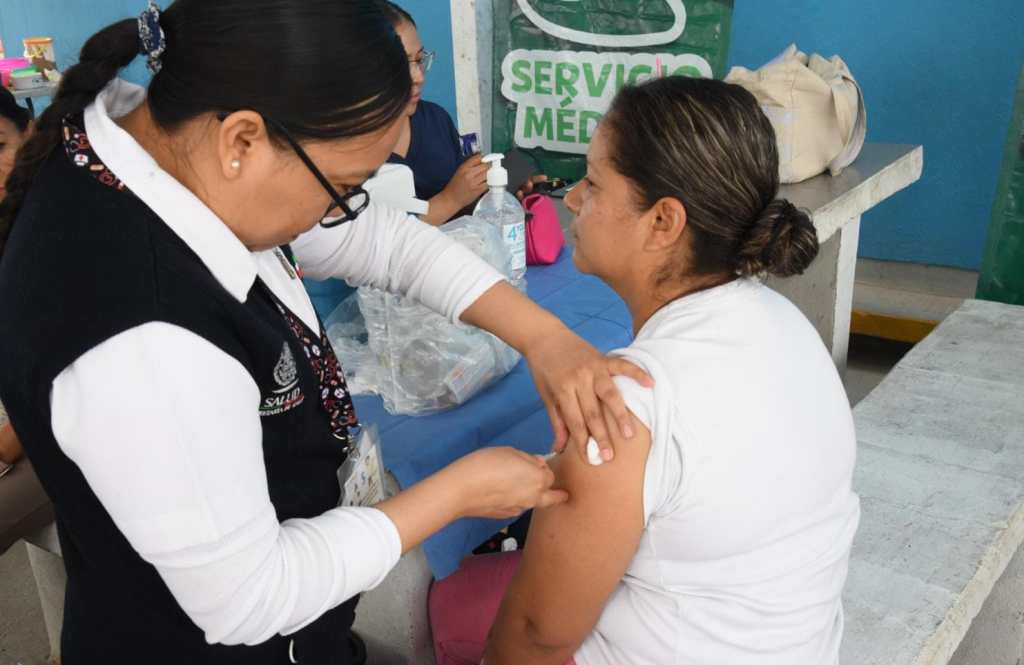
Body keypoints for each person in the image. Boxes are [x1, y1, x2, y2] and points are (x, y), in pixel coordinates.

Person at [0, 2, 648, 663]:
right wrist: (457, 492)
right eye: (341, 185)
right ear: (242, 143)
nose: (340, 210)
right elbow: (250, 597)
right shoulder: (145, 335)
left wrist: (544, 336)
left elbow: (382, 242)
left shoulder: (172, 146)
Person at [430, 77, 861, 665]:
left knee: (453, 604)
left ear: (663, 222)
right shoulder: (784, 321)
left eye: (593, 183)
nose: (571, 200)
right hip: (798, 645)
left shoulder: (624, 406)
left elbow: (536, 637)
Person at [0, 88, 54, 555]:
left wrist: (8, 441)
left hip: (61, 429)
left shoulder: (59, 220)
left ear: (28, 134)